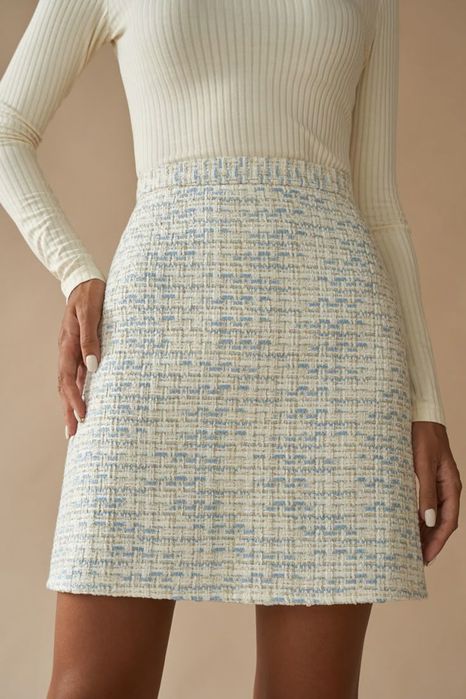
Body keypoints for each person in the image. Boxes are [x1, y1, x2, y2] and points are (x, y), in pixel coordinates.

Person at [0, 1, 461, 697]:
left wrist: (426, 404)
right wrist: (75, 271)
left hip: (335, 358)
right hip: (157, 337)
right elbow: (8, 128)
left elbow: (379, 205)